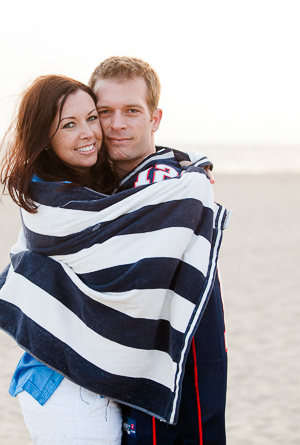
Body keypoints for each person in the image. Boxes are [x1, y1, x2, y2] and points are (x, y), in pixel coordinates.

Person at [88, 56, 227, 444]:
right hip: (139, 363)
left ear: (155, 118)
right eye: (105, 112)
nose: (117, 125)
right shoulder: (113, 185)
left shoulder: (166, 183)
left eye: (131, 110)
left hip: (183, 360)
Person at [0, 75, 122, 444]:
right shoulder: (52, 201)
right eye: (69, 125)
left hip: (75, 378)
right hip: (63, 386)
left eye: (92, 117)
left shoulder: (89, 190)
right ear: (43, 139)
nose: (89, 133)